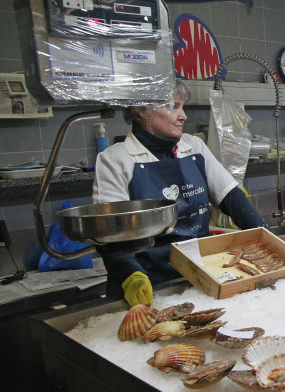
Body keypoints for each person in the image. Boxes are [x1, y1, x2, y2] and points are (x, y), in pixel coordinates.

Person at [93, 80, 268, 306]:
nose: (183, 115)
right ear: (143, 110)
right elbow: (110, 233)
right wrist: (131, 276)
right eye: (173, 106)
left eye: (182, 106)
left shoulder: (194, 146)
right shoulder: (116, 159)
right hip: (145, 283)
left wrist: (270, 240)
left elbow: (232, 198)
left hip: (198, 277)